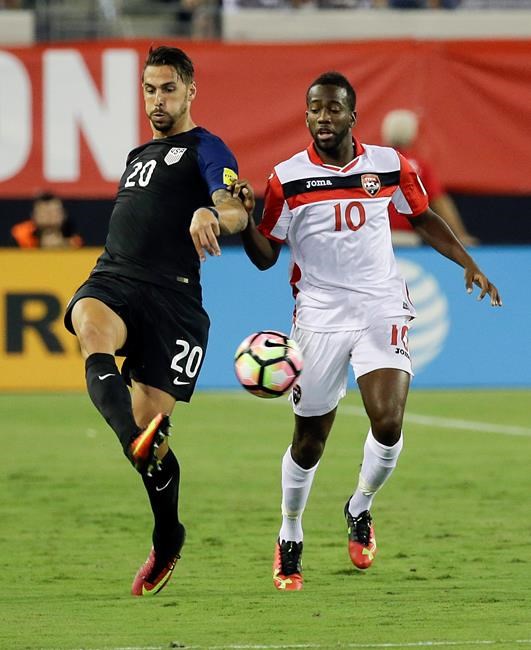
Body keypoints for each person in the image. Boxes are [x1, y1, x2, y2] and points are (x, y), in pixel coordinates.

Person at [233, 71, 501, 591]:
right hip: (319, 316)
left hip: (382, 305)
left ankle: (360, 506)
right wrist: (247, 220)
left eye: (333, 109)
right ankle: (290, 533)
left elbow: (423, 218)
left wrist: (467, 261)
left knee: (389, 420)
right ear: (306, 115)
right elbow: (266, 257)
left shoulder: (389, 165)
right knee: (310, 442)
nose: (323, 118)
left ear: (352, 114)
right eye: (315, 109)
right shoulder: (286, 178)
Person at [63, 45, 248, 597]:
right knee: (88, 322)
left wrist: (210, 211)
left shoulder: (207, 147)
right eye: (149, 89)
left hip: (174, 303)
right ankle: (134, 436)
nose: (157, 99)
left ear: (191, 90)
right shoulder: (136, 154)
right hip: (115, 279)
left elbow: (237, 208)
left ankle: (168, 537)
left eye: (168, 88)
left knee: (156, 453)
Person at [381, 108, 478, 247]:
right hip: (407, 241)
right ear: (413, 135)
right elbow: (440, 202)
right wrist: (460, 235)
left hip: (373, 239)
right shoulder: (418, 167)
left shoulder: (370, 164)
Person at [11, 191, 83, 249]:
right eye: (43, 212)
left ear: (64, 214)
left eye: (54, 211)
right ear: (33, 215)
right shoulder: (20, 238)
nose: (49, 216)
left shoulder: (76, 243)